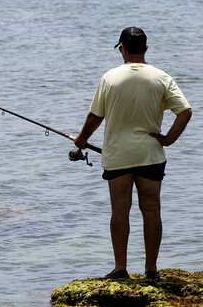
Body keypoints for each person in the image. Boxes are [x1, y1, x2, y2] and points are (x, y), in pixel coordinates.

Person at [74, 27, 192, 280]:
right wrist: (168, 140)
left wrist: (82, 139)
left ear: (122, 49)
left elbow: (96, 116)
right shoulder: (162, 77)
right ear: (146, 48)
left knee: (119, 210)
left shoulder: (110, 78)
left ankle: (120, 269)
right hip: (150, 154)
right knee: (151, 211)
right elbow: (185, 112)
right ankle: (151, 270)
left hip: (118, 155)